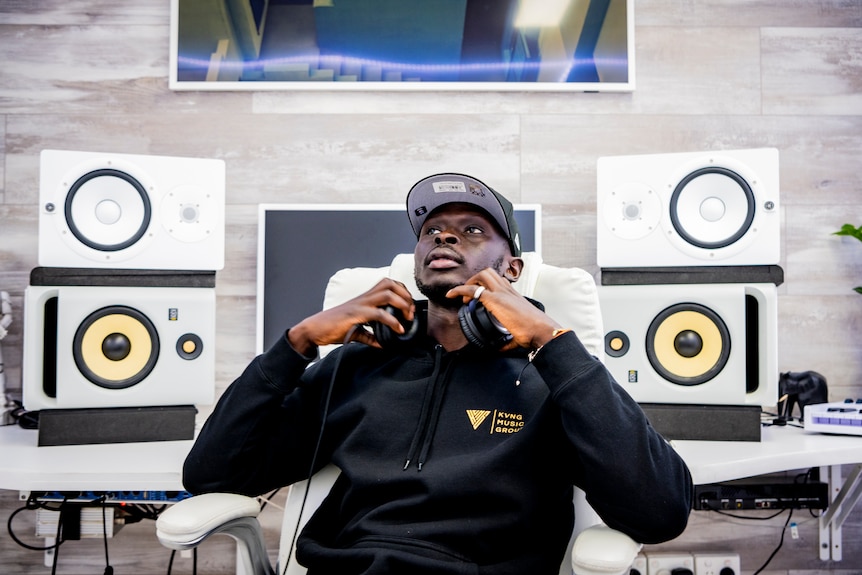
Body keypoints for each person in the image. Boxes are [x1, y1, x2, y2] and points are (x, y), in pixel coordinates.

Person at [183, 173, 693, 575]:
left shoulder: (555, 378)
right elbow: (212, 474)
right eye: (432, 231)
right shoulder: (355, 365)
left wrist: (550, 343)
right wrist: (297, 345)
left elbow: (659, 511)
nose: (444, 235)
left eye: (472, 229)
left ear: (511, 270)